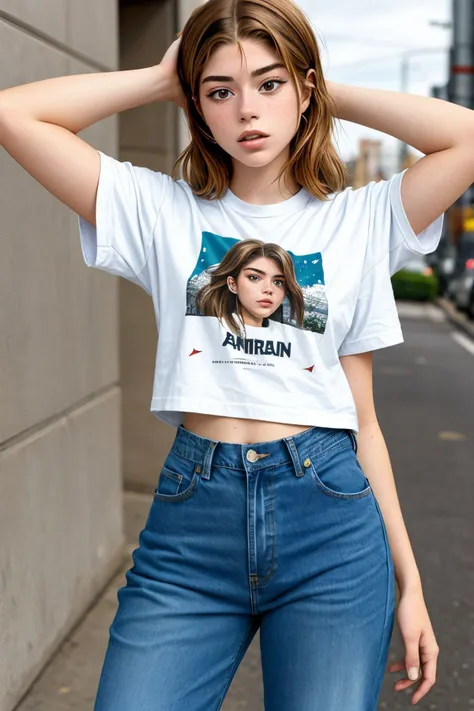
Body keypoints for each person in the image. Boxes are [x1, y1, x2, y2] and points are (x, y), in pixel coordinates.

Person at [3, 0, 472, 707]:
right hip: (194, 525)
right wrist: (161, 80)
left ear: (304, 89)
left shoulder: (360, 221)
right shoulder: (162, 211)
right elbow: (16, 115)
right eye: (221, 90)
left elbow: (364, 421)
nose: (247, 109)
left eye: (270, 84)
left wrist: (411, 584)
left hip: (332, 524)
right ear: (199, 105)